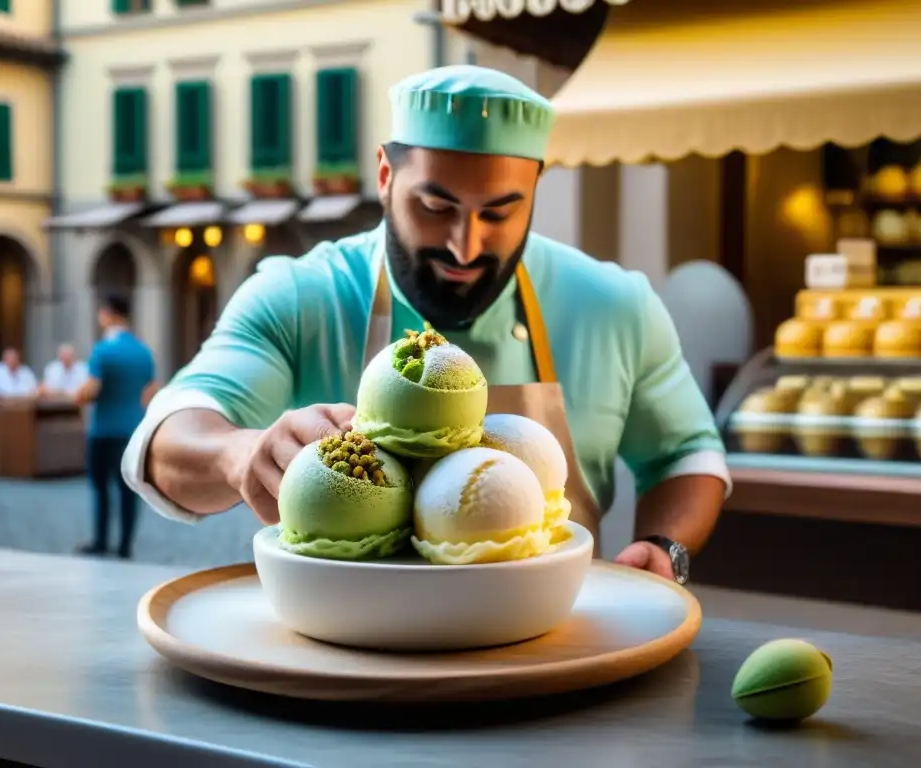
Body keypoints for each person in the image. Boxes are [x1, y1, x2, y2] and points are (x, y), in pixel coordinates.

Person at [122, 65, 730, 584]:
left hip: (554, 648)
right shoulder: (301, 294)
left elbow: (687, 455)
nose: (466, 247)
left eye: (500, 212)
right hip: (344, 655)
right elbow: (164, 443)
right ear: (385, 177)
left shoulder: (614, 304)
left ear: (536, 190)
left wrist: (666, 546)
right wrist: (241, 453)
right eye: (435, 208)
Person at [75, 294, 156, 559]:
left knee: (101, 487)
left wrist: (78, 395)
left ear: (109, 314)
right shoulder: (143, 351)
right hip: (132, 428)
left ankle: (101, 540)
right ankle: (125, 545)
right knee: (129, 490)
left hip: (104, 430)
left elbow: (91, 389)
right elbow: (150, 393)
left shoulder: (102, 350)